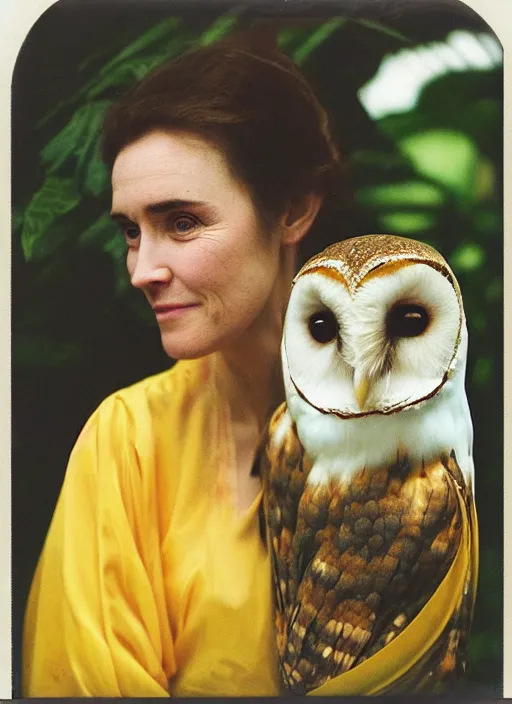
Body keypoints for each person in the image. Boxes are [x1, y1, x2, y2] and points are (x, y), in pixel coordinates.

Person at [22, 36, 341, 697]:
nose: (141, 269)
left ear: (293, 209)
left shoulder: (411, 441)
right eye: (131, 231)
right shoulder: (126, 441)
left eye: (183, 222)